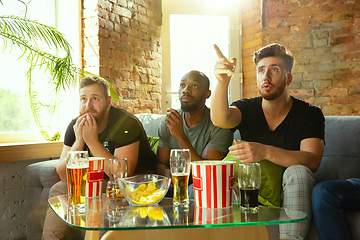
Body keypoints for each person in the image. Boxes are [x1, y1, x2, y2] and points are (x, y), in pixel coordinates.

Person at [211, 43, 325, 240]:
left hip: (291, 190)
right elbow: (220, 119)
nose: (266, 76)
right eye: (261, 70)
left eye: (274, 69)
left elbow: (312, 160)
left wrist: (264, 152)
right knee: (223, 174)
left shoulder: (310, 114)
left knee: (298, 171)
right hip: (252, 192)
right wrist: (222, 82)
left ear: (288, 78)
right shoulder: (247, 108)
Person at [42, 75, 157, 239]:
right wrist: (79, 142)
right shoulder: (75, 126)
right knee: (58, 189)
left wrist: (92, 142)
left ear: (109, 102)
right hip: (96, 182)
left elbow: (121, 174)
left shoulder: (125, 123)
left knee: (108, 193)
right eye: (83, 99)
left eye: (95, 99)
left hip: (132, 186)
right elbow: (62, 174)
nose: (88, 106)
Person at [156, 70, 233, 197]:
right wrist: (164, 171)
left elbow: (207, 174)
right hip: (172, 186)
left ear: (207, 94)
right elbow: (161, 162)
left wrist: (180, 137)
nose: (186, 90)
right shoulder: (168, 121)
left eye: (194, 86)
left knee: (194, 191)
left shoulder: (218, 125)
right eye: (182, 85)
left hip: (203, 186)